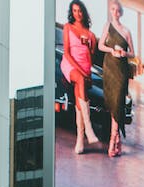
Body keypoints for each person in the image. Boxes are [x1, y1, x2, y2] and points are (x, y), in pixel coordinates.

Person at [60, 1, 99, 154]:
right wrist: (82, 74)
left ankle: (80, 141)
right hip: (70, 64)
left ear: (84, 13)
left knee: (79, 100)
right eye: (74, 11)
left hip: (84, 67)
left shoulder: (91, 35)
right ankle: (89, 129)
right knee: (81, 81)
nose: (77, 14)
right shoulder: (67, 27)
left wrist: (88, 47)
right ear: (72, 12)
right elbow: (67, 53)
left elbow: (90, 59)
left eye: (80, 11)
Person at [99, 0, 135, 157]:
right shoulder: (107, 26)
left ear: (121, 12)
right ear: (110, 11)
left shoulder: (127, 31)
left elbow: (133, 53)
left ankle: (113, 139)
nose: (115, 12)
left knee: (118, 103)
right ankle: (117, 138)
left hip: (121, 70)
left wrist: (124, 53)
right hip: (109, 68)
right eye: (112, 9)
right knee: (112, 103)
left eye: (117, 10)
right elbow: (100, 45)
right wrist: (111, 50)